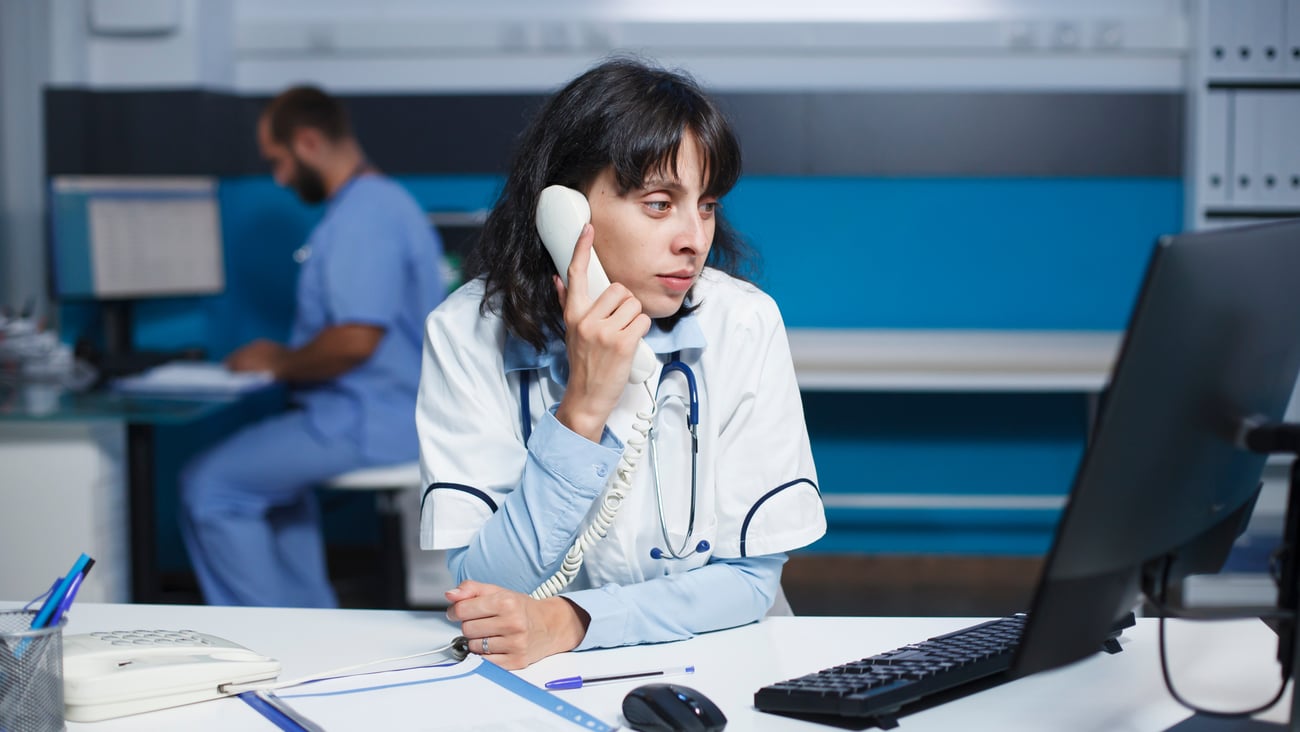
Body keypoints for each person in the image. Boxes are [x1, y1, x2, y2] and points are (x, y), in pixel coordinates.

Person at [416, 58, 826, 669]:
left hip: (724, 656)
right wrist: (583, 408)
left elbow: (748, 583)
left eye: (706, 205)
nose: (694, 237)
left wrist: (574, 620)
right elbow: (485, 589)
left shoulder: (742, 322)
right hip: (540, 673)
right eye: (660, 204)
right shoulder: (464, 331)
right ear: (564, 208)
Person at [180, 85, 447, 607]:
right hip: (376, 412)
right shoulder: (378, 203)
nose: (278, 179)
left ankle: (259, 641)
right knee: (273, 494)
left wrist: (277, 361)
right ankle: (310, 625)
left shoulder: (363, 217)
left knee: (210, 487)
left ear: (306, 142)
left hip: (367, 419)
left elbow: (354, 340)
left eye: (277, 162)